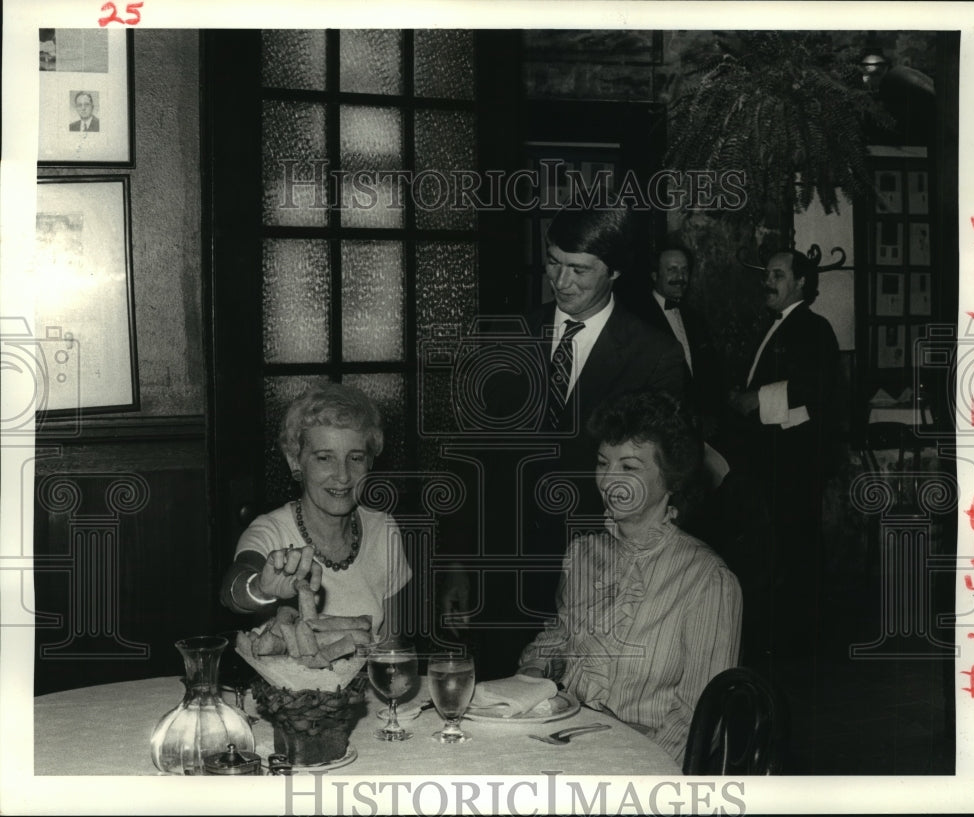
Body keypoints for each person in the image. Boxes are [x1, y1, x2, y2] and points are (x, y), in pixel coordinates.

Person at [443, 206, 689, 679]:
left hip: (599, 577)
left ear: (615, 271)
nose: (561, 280)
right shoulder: (506, 338)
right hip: (502, 574)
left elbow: (654, 483)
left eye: (580, 269)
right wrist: (457, 562)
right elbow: (469, 460)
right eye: (554, 262)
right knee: (497, 704)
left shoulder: (654, 356)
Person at [517, 389, 742, 765]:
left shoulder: (707, 580)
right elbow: (560, 637)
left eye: (629, 468)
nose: (608, 482)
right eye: (603, 463)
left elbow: (701, 721)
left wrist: (625, 765)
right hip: (562, 748)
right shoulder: (582, 554)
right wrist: (533, 671)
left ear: (671, 479)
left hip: (642, 773)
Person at [220, 383, 411, 639]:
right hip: (283, 680)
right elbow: (232, 592)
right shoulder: (269, 531)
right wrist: (261, 589)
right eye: (324, 457)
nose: (343, 476)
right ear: (295, 461)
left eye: (355, 458)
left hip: (368, 679)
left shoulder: (384, 529)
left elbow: (393, 648)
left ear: (370, 462)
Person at [724, 249, 840, 657]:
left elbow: (817, 387)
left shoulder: (815, 327)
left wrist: (755, 398)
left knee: (799, 546)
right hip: (771, 457)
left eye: (777, 274)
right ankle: (788, 633)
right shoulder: (773, 325)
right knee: (779, 548)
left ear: (801, 283)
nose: (767, 281)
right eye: (767, 274)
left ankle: (804, 640)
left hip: (796, 458)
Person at [620, 236, 724, 437]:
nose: (680, 276)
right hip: (656, 427)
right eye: (672, 270)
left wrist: (709, 416)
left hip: (697, 428)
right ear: (654, 274)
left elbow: (710, 373)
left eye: (684, 270)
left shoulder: (695, 319)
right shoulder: (636, 319)